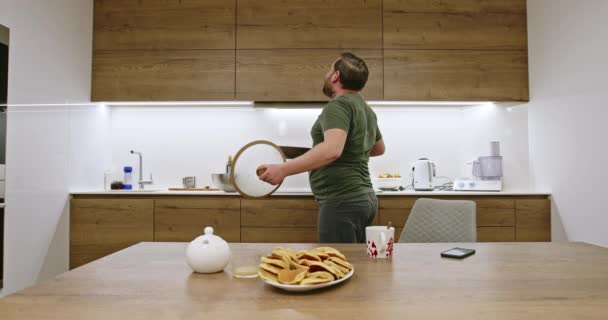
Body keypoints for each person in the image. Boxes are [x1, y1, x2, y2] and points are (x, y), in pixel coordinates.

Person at [258, 52, 385, 243]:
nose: (326, 74)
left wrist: (283, 169)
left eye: (329, 69)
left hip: (342, 200)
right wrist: (343, 151)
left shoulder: (338, 106)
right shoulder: (365, 109)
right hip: (364, 198)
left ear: (335, 76)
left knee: (335, 265)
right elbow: (377, 148)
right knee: (355, 263)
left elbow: (332, 150)